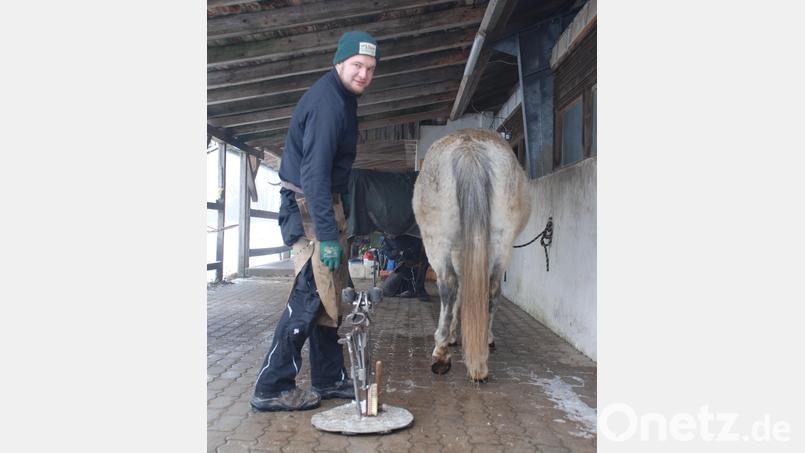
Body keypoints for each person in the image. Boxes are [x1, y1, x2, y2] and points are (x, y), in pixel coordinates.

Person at [250, 31, 380, 412]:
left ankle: (328, 377)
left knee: (329, 298)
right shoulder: (328, 104)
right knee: (309, 296)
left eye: (370, 68)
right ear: (339, 62)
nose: (363, 74)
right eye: (357, 65)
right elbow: (314, 175)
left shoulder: (343, 98)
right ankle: (272, 386)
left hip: (321, 205)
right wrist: (326, 235)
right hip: (308, 207)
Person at [380, 233, 430, 301]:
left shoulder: (406, 234)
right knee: (387, 290)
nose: (391, 236)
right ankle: (409, 289)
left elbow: (416, 245)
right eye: (388, 235)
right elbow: (389, 255)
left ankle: (419, 290)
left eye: (392, 235)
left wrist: (409, 252)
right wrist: (397, 252)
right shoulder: (386, 241)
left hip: (415, 258)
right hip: (402, 263)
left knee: (420, 266)